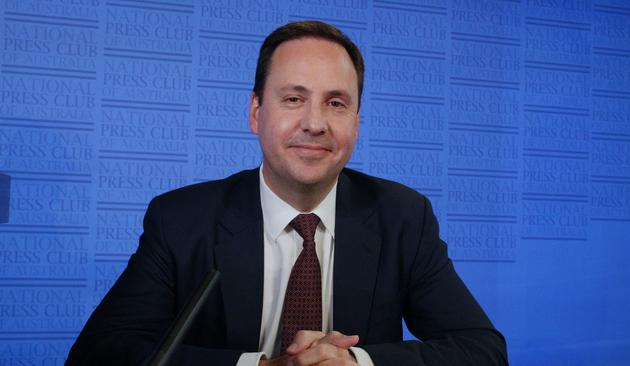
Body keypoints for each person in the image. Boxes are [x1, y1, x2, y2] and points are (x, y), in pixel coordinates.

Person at [66, 21, 507, 365]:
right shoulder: (182, 218)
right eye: (294, 99)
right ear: (256, 113)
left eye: (336, 103)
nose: (315, 123)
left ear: (356, 122)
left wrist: (356, 362)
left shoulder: (402, 216)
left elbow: (482, 351)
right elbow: (101, 354)